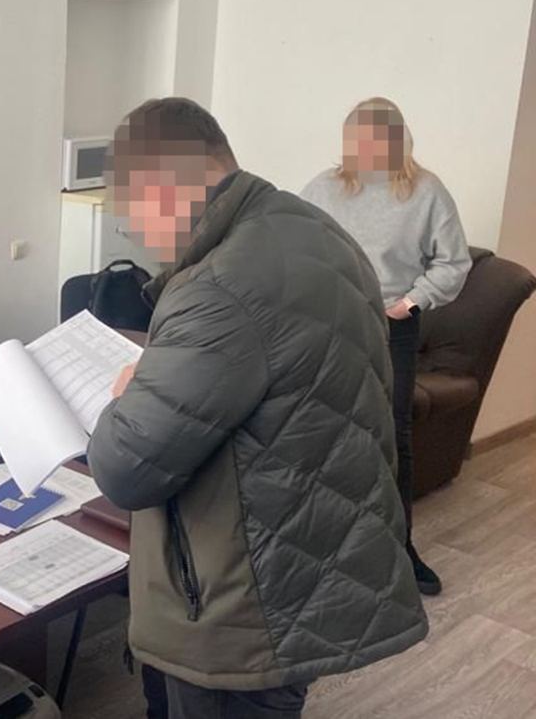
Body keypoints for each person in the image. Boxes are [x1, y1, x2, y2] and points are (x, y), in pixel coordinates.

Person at [87, 98, 427, 719]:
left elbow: (123, 468)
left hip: (242, 608)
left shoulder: (222, 284)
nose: (137, 234)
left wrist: (125, 397)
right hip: (303, 563)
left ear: (167, 184)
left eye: (133, 212)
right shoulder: (314, 228)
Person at [301, 96, 469, 597]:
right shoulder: (324, 187)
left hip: (392, 328)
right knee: (327, 430)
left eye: (377, 139)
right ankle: (327, 550)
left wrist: (410, 303)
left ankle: (399, 547)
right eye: (358, 138)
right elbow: (296, 244)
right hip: (332, 324)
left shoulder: (426, 191)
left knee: (392, 435)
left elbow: (453, 263)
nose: (366, 149)